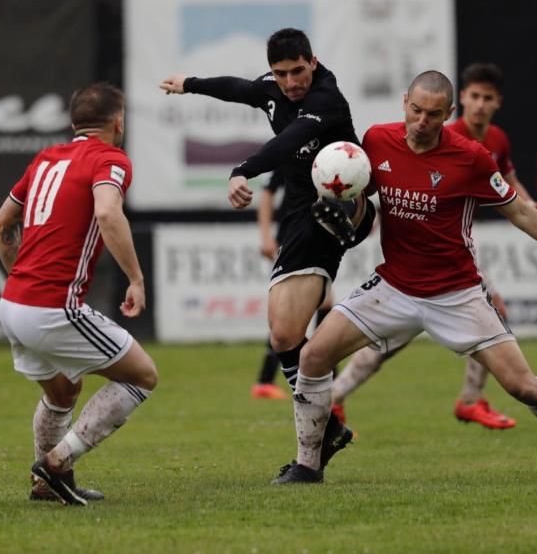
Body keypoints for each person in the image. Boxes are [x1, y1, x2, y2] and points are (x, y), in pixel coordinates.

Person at [273, 70, 537, 485]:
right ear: (405, 102)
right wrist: (341, 211)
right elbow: (361, 212)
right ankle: (307, 465)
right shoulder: (376, 142)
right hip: (394, 286)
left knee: (523, 387)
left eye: (433, 115)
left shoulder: (471, 157)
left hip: (457, 293)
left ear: (449, 114)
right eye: (416, 111)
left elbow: (522, 214)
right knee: (313, 356)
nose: (422, 122)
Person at [160, 28, 375, 471]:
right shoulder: (273, 88)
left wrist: (243, 169)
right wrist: (190, 84)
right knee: (282, 337)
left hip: (332, 203)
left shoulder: (326, 99)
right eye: (282, 74)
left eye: (299, 70)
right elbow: (240, 89)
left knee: (337, 205)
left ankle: (355, 219)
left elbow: (287, 141)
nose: (292, 81)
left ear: (313, 62)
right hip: (299, 214)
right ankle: (327, 427)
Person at [330, 63, 537, 430]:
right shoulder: (445, 136)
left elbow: (510, 187)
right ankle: (466, 399)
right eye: (475, 97)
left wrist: (534, 207)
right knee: (395, 339)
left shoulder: (495, 140)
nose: (480, 105)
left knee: (399, 339)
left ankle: (468, 398)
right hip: (431, 252)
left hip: (457, 249)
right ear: (461, 100)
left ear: (498, 102)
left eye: (488, 98)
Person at [0, 82, 158, 507]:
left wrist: (20, 277)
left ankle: (45, 485)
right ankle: (57, 462)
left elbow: (1, 223)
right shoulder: (111, 158)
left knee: (62, 392)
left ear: (74, 123)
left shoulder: (46, 158)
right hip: (51, 307)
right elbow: (106, 210)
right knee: (142, 376)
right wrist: (136, 279)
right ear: (118, 123)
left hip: (12, 304)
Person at [252, 170, 337, 414]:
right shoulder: (295, 151)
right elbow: (268, 192)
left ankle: (267, 381)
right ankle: (321, 379)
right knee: (288, 319)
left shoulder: (327, 155)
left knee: (323, 306)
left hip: (311, 242)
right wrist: (266, 236)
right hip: (292, 243)